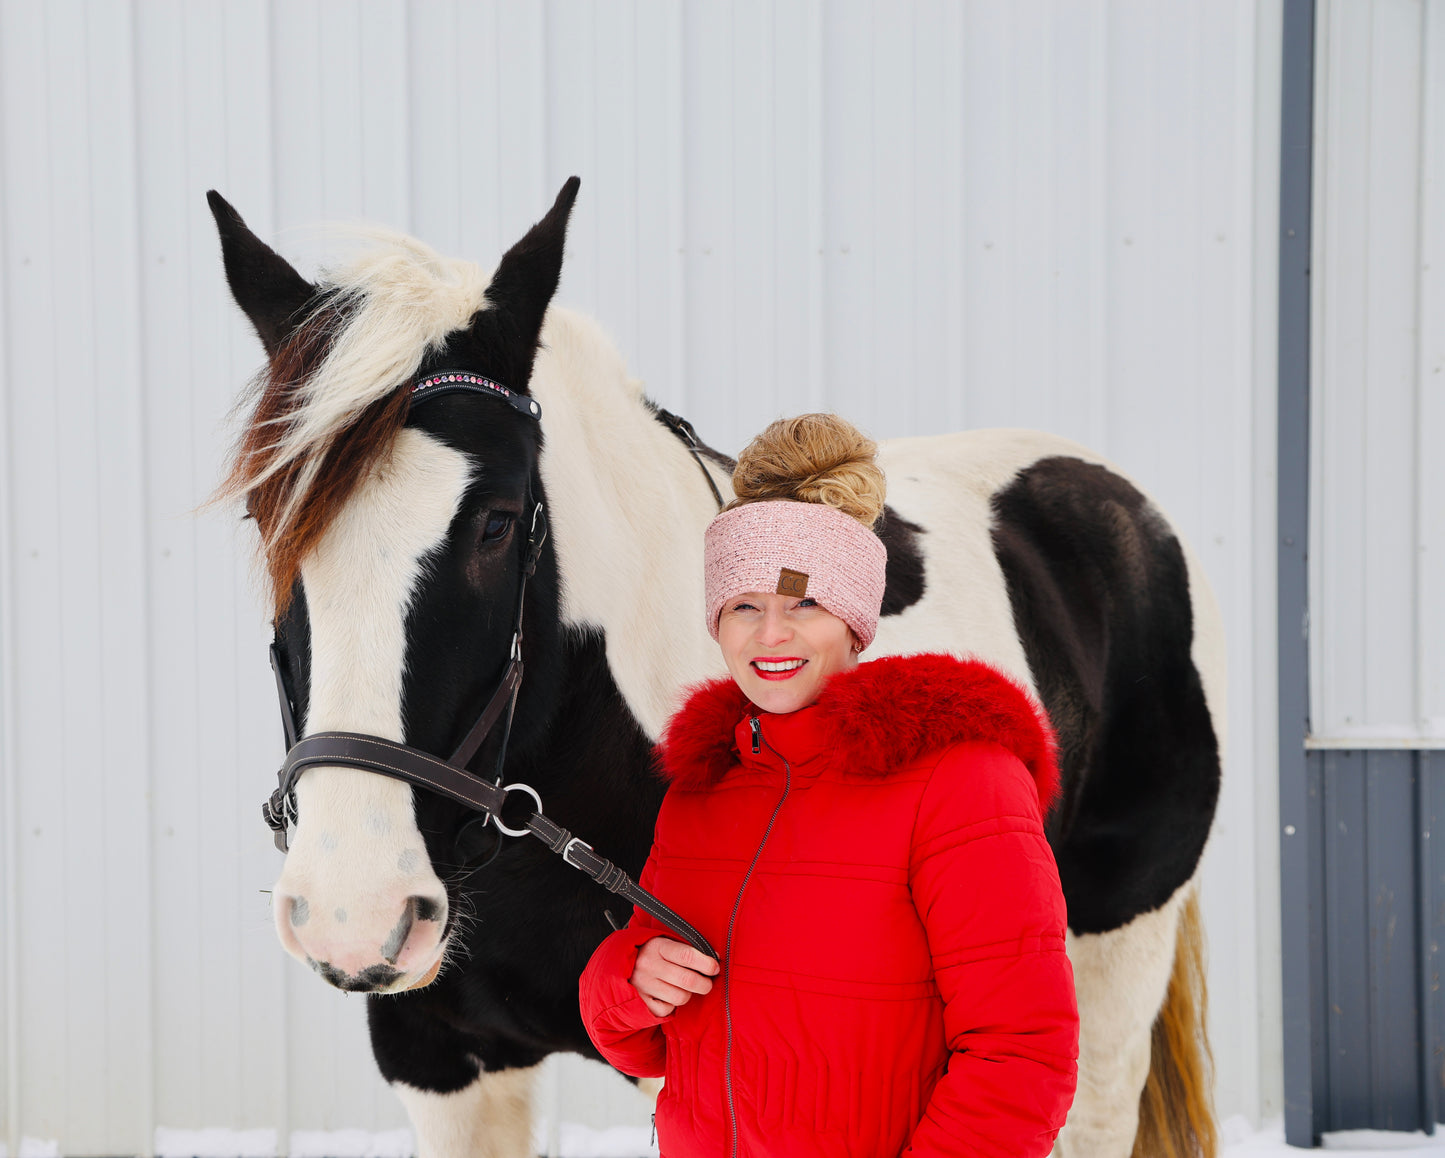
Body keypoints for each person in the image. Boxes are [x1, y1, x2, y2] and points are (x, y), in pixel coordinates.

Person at [579, 414, 1078, 1157]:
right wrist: (628, 979)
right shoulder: (703, 789)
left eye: (803, 603)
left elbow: (1022, 1051)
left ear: (853, 621)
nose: (769, 634)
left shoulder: (961, 779)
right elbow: (648, 1043)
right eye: (744, 606)